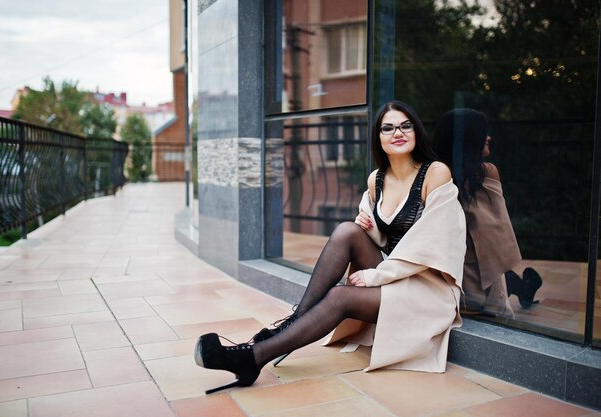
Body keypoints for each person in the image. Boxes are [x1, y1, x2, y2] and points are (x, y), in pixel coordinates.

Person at [194, 100, 466, 394]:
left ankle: (253, 356)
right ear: (378, 137)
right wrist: (370, 228)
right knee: (347, 231)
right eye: (387, 128)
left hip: (426, 287)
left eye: (405, 125)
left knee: (339, 296)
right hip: (394, 275)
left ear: (416, 131)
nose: (397, 133)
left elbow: (431, 245)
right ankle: (289, 327)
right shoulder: (377, 180)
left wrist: (376, 276)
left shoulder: (436, 173)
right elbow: (385, 240)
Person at [431, 108, 543, 317]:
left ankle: (526, 286)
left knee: (495, 272)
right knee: (495, 275)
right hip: (466, 279)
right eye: (484, 132)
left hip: (457, 275)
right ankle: (527, 286)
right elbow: (495, 235)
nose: (489, 138)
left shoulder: (434, 175)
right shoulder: (484, 173)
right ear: (469, 138)